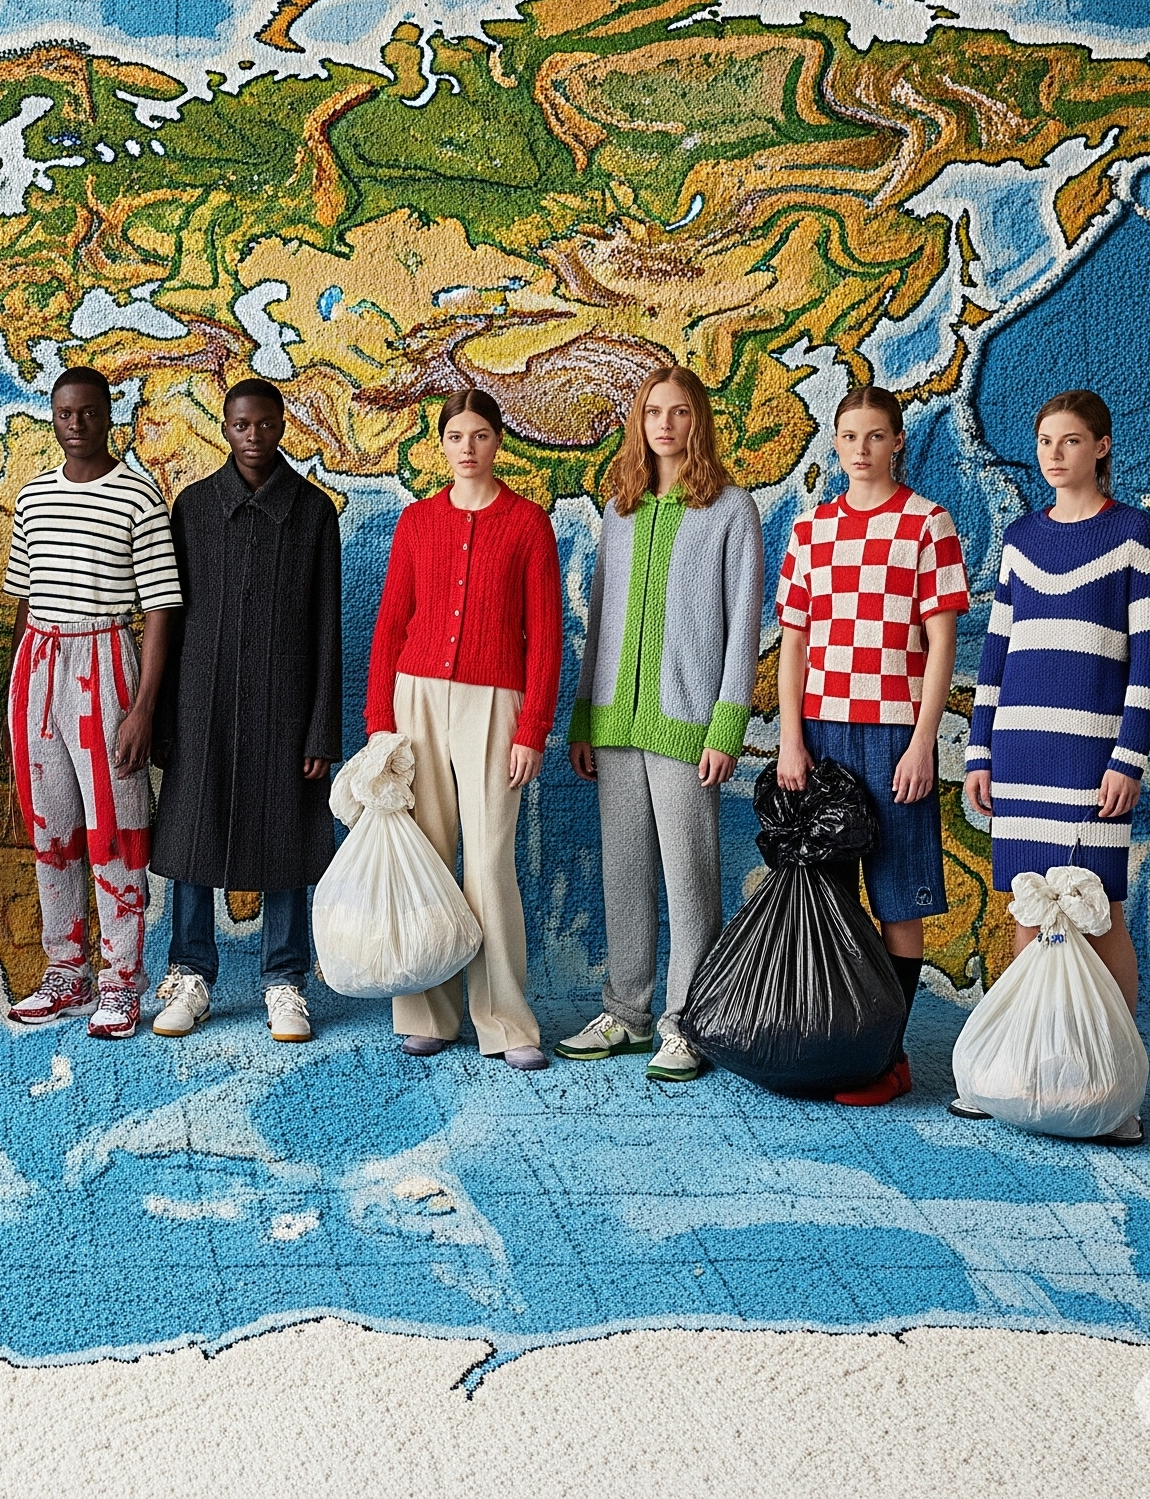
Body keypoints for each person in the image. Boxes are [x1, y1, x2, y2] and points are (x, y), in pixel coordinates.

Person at [960, 389, 1150, 1145]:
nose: (1055, 454)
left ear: (1102, 448)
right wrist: (980, 750)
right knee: (1027, 906)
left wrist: (1127, 759)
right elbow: (995, 654)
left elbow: (1149, 662)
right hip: (1020, 752)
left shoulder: (1136, 535)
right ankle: (1011, 1075)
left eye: (1071, 441)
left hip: (1090, 757)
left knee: (1096, 910)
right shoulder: (1018, 538)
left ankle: (1117, 1092)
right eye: (1046, 440)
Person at [559, 364, 763, 1082]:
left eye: (680, 413)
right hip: (614, 722)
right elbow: (602, 615)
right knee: (624, 871)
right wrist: (584, 716)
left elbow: (744, 626)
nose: (666, 425)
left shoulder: (731, 509)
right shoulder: (620, 509)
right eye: (654, 412)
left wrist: (725, 727)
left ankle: (687, 1021)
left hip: (686, 722)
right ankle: (626, 1011)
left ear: (698, 422)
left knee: (689, 877)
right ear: (639, 423)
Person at [773, 384, 969, 1107]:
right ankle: (839, 1046)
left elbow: (942, 641)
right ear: (836, 444)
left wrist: (924, 741)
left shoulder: (927, 524)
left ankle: (889, 1057)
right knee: (832, 892)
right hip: (822, 733)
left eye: (875, 436)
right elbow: (794, 644)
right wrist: (791, 742)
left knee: (897, 896)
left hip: (894, 732)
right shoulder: (811, 531)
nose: (861, 449)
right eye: (849, 436)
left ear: (897, 443)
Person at [364, 388, 562, 1069]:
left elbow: (545, 637)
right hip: (415, 695)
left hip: (496, 702)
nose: (468, 448)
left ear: (497, 442)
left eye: (480, 436)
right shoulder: (417, 522)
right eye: (456, 436)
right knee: (425, 853)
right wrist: (378, 724)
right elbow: (390, 624)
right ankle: (428, 1014)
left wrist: (533, 727)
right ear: (441, 444)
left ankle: (505, 1021)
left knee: (487, 863)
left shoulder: (528, 523)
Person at [150, 379, 339, 1044]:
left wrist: (322, 728)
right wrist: (166, 719)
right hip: (200, 704)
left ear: (283, 426)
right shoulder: (195, 508)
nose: (253, 436)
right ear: (223, 428)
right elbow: (169, 621)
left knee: (286, 837)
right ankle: (191, 973)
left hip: (285, 710)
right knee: (194, 835)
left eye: (264, 425)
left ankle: (285, 981)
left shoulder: (314, 513)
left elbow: (325, 627)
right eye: (240, 425)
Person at [0, 367, 180, 1039]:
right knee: (52, 831)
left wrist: (142, 710)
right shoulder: (34, 497)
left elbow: (161, 607)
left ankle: (121, 982)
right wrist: (16, 699)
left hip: (105, 660)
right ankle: (65, 973)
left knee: (117, 827)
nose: (76, 424)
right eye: (64, 413)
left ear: (109, 416)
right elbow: (23, 600)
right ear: (53, 417)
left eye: (88, 412)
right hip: (38, 668)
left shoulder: (137, 496)